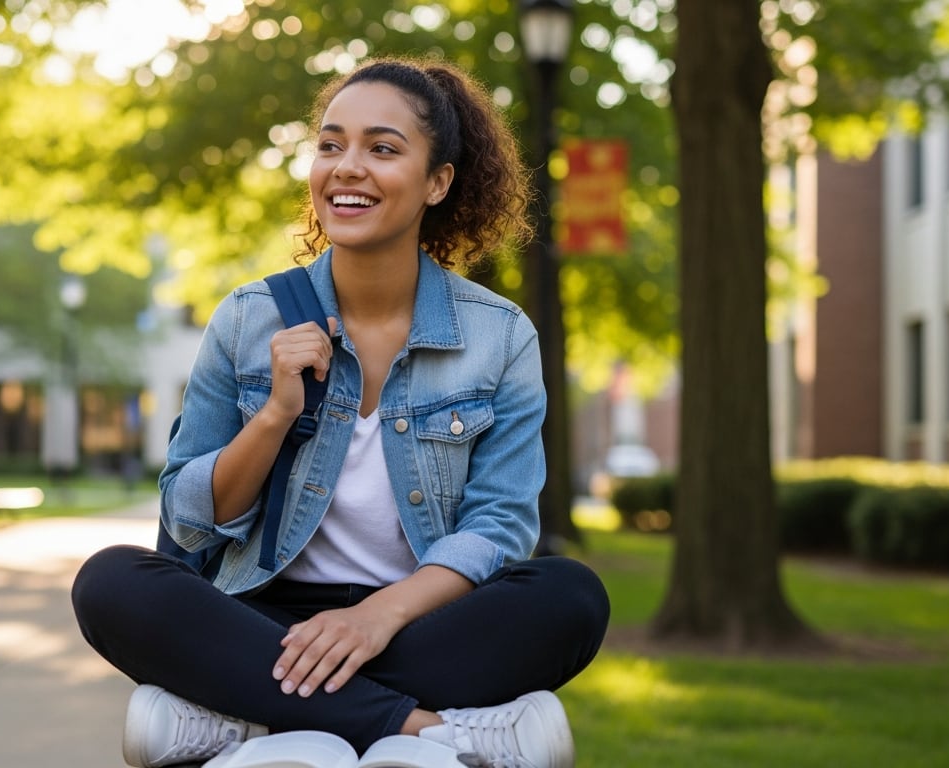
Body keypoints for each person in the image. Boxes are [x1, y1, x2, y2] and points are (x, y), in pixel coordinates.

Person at [72, 57, 609, 768]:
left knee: (570, 597)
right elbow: (188, 520)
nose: (346, 167)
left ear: (438, 181)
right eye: (331, 145)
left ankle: (246, 721)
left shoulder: (499, 335)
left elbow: (501, 528)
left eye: (382, 149)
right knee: (110, 583)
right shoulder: (246, 319)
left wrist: (375, 617)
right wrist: (271, 416)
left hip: (418, 621)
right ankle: (422, 731)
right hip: (258, 615)